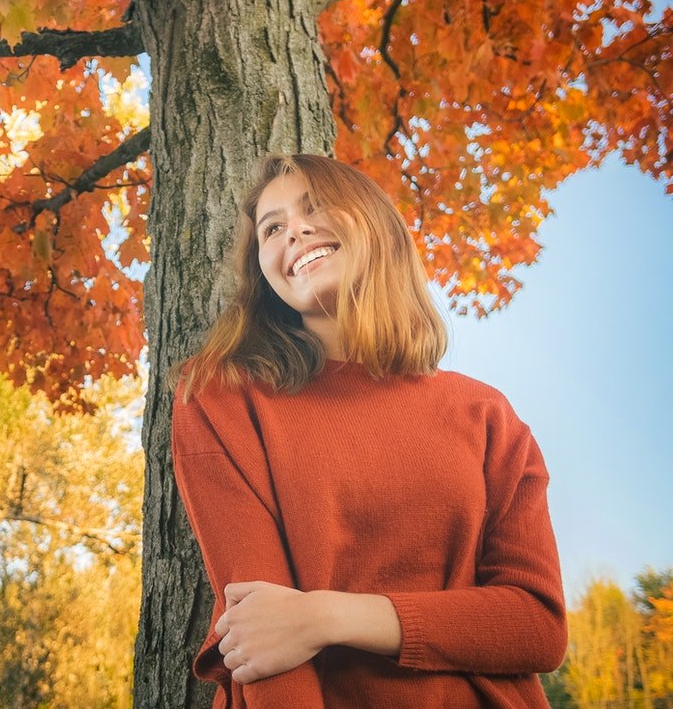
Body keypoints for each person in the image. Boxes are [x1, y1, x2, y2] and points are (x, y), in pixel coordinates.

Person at [172, 153, 566, 708]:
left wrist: (325, 617)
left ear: (375, 223)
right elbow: (259, 635)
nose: (295, 231)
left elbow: (537, 626)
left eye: (315, 207)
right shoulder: (221, 395)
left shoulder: (486, 413)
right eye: (272, 228)